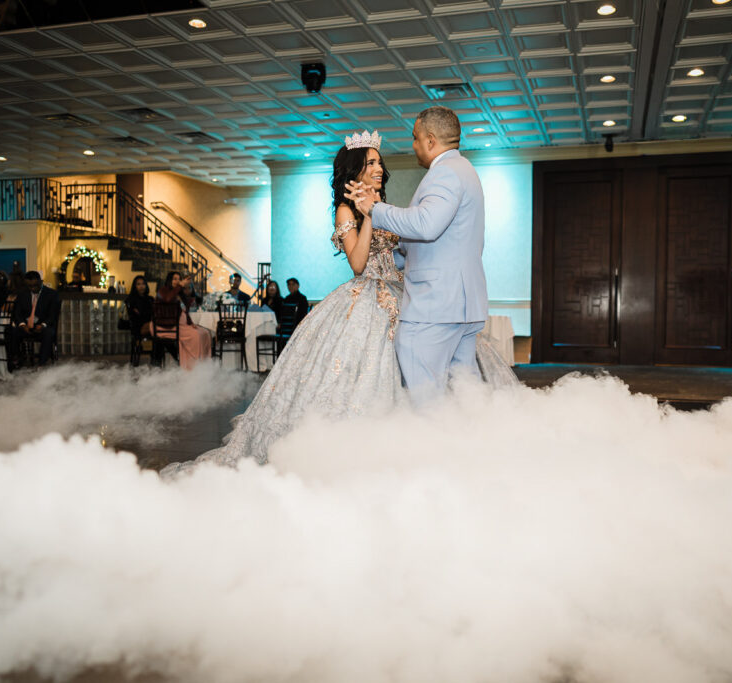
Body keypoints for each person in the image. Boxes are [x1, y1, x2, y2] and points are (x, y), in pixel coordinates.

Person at [160, 130, 515, 478]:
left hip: (406, 294)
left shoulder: (379, 203)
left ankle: (436, 443)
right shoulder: (347, 211)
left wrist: (385, 219)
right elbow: (359, 264)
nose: (378, 168)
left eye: (379, 162)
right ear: (356, 169)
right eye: (371, 163)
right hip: (366, 299)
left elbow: (402, 255)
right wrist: (371, 213)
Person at [346, 106, 488, 406]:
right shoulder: (465, 171)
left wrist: (374, 209)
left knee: (426, 400)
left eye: (415, 138)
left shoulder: (445, 174)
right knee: (464, 394)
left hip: (436, 307)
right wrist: (390, 260)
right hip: (461, 304)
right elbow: (442, 241)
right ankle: (474, 448)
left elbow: (427, 225)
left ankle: (434, 450)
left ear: (431, 140)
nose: (412, 145)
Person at [155, 271, 211, 371]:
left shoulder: (179, 292)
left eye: (179, 279)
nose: (177, 281)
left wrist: (190, 322)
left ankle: (204, 365)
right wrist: (180, 286)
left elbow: (185, 310)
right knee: (196, 335)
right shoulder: (163, 291)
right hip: (168, 324)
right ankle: (192, 366)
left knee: (205, 333)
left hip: (181, 323)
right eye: (174, 279)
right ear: (169, 280)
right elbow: (167, 299)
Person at [10, 271, 60, 367]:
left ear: (41, 282)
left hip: (43, 326)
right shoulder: (22, 294)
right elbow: (17, 313)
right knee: (10, 331)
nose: (33, 288)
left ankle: (42, 363)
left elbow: (53, 314)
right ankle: (16, 359)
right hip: (26, 327)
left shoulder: (51, 294)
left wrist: (42, 325)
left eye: (35, 285)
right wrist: (22, 325)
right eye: (30, 286)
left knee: (48, 333)